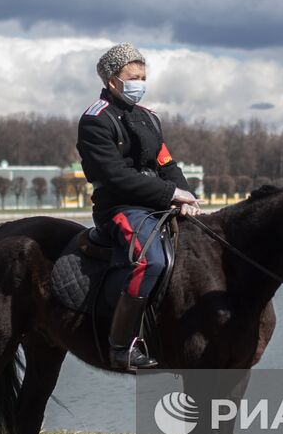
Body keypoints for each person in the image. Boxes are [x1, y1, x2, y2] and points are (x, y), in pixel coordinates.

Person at [76, 43, 199, 372]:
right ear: (113, 80)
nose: (140, 83)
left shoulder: (150, 119)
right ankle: (121, 346)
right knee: (152, 261)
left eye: (144, 76)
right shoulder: (95, 121)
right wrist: (170, 193)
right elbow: (115, 177)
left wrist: (186, 195)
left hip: (159, 204)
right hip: (120, 207)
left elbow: (167, 164)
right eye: (134, 76)